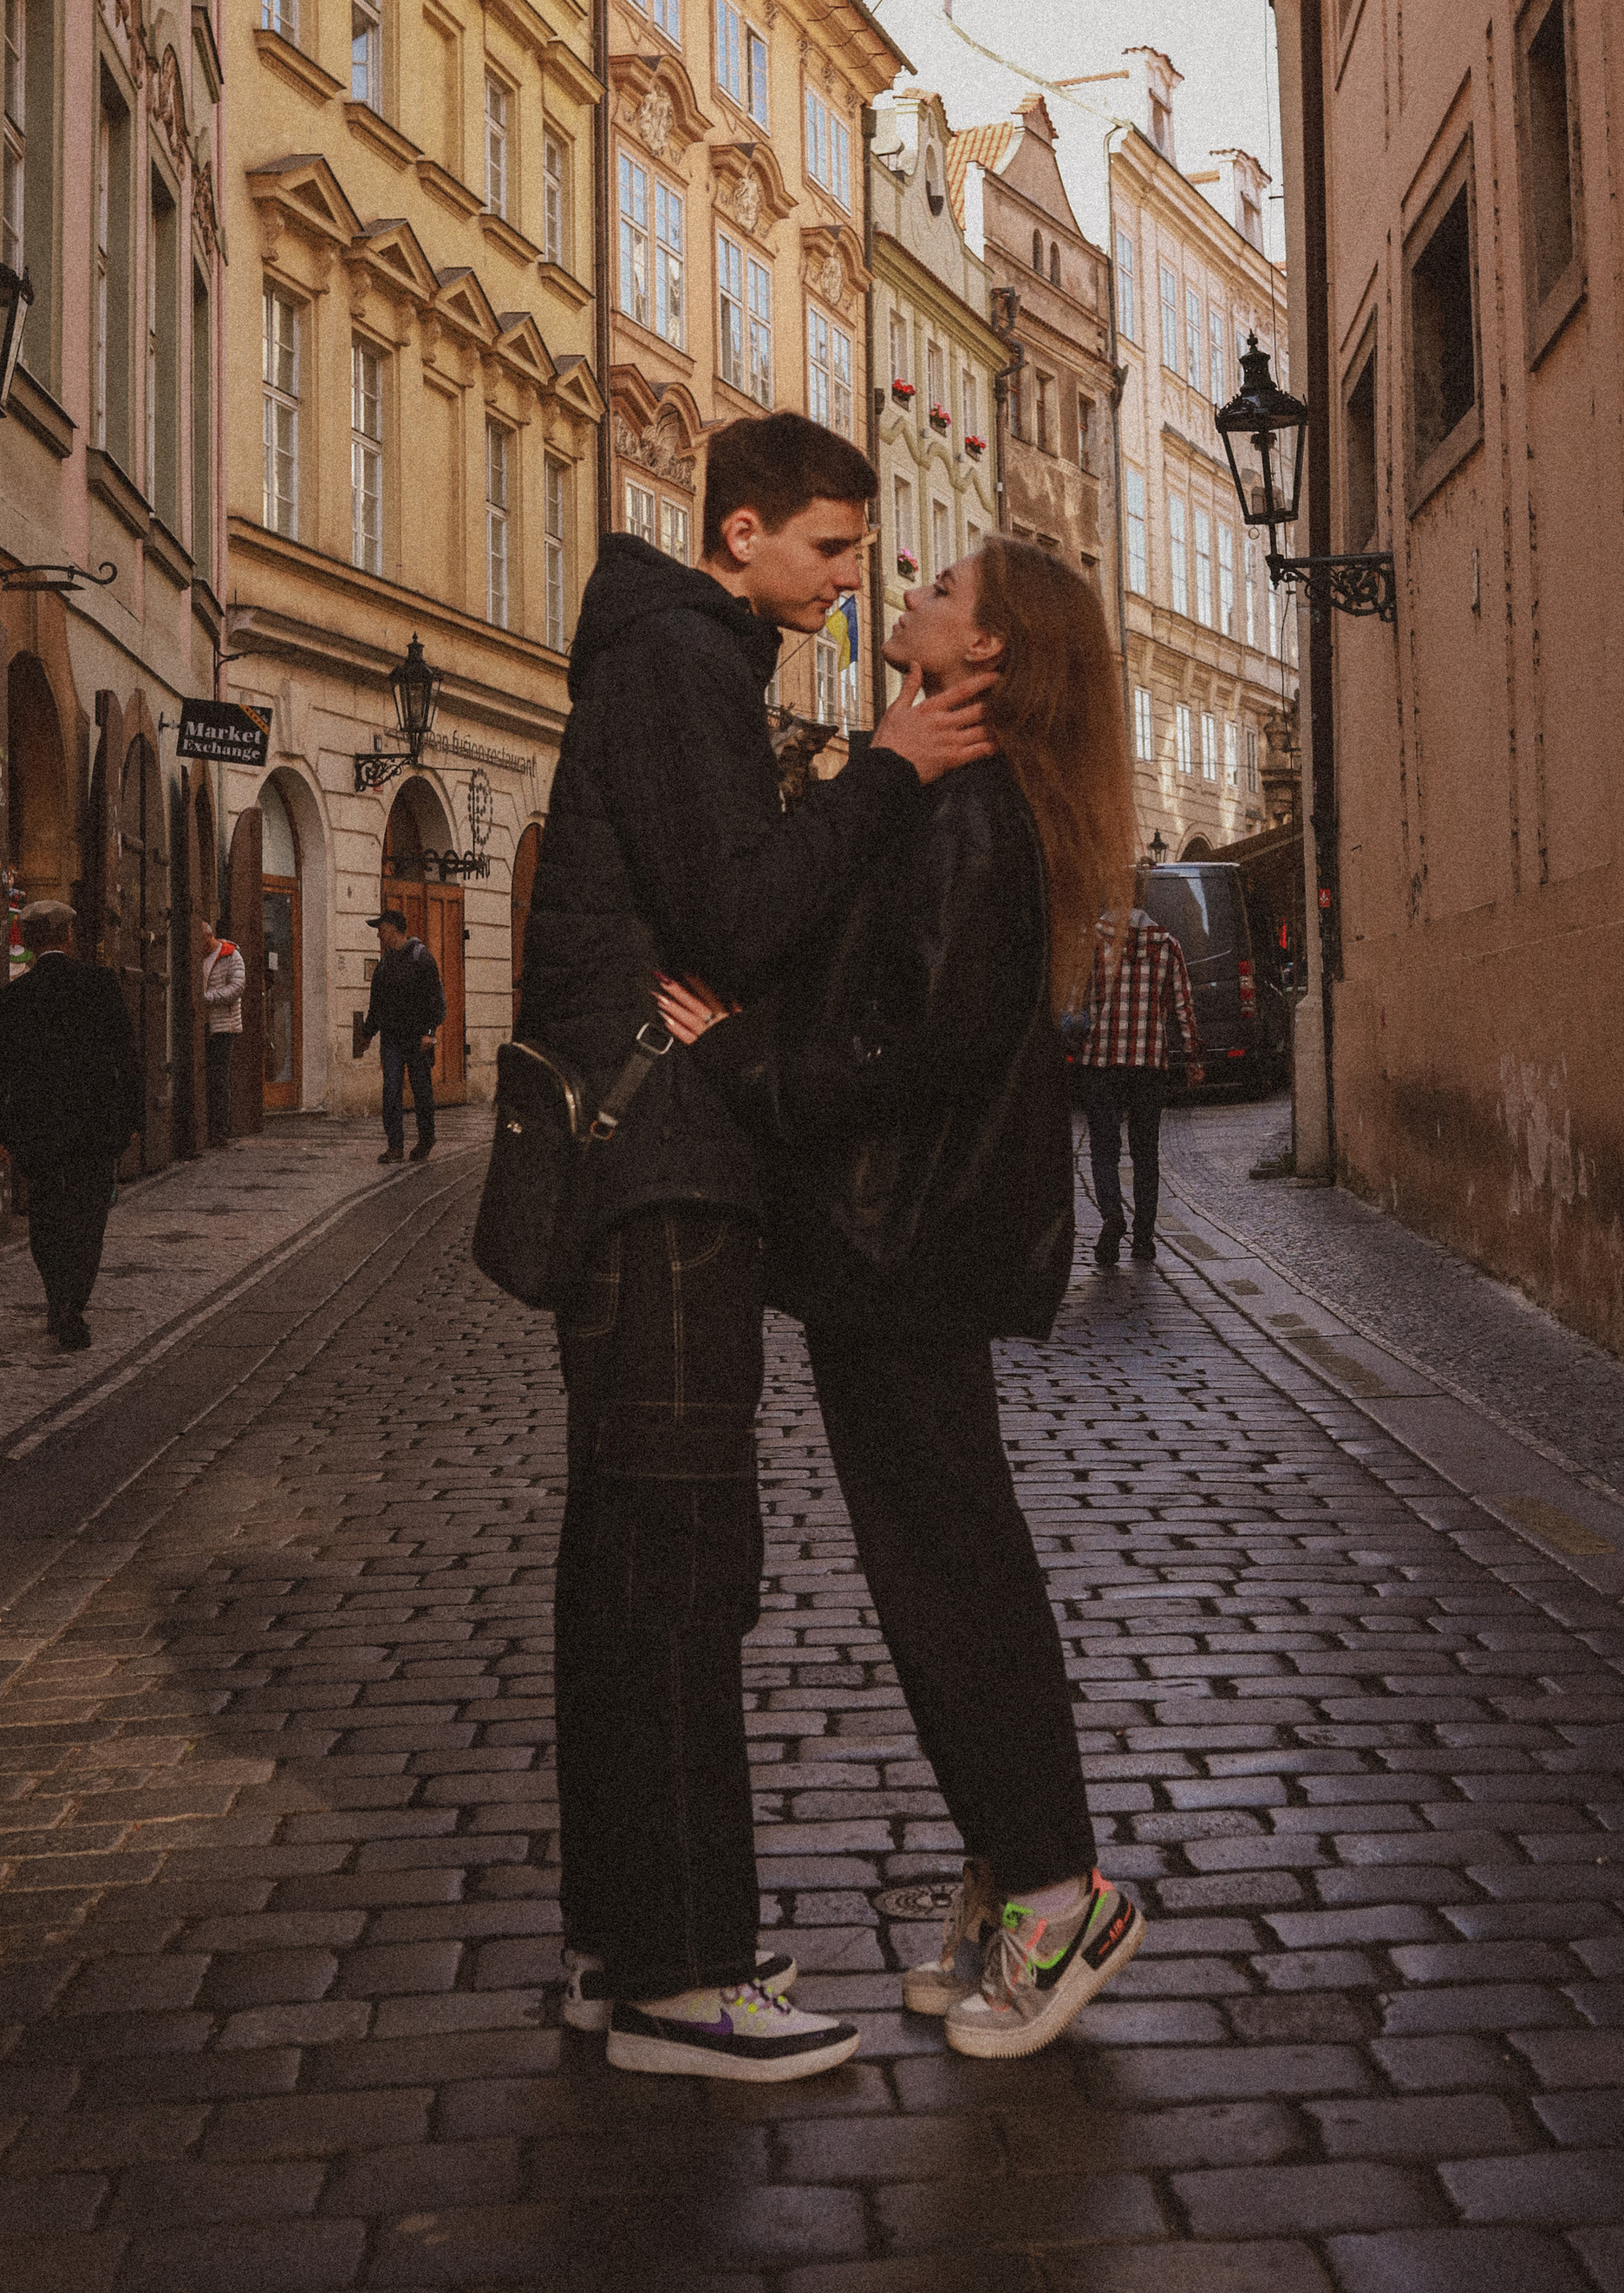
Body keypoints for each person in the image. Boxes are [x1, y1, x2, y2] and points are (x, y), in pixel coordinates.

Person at [517, 409, 995, 2084]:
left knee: (629, 1559)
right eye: (832, 552)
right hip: (660, 1171)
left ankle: (623, 1941)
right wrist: (891, 774)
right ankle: (684, 1976)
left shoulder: (681, 656)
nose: (854, 584)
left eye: (863, 555)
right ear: (739, 534)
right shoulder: (678, 665)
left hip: (653, 1168)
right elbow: (735, 915)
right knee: (677, 1559)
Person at [657, 537, 1147, 2062]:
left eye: (940, 589)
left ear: (990, 655)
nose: (909, 594)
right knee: (937, 1567)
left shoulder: (977, 818)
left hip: (910, 1251)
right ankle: (1013, 1873)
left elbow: (916, 1046)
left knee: (955, 1573)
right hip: (902, 1252)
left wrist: (745, 1060)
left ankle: (1062, 1892)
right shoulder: (956, 801)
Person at [0, 900, 144, 1353]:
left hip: (37, 1125)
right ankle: (73, 1303)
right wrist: (132, 1118)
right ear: (68, 938)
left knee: (47, 1212)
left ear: (29, 944)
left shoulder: (9, 999)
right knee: (90, 1216)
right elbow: (127, 1058)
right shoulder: (100, 985)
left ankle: (57, 1297)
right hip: (94, 1122)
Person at [1080, 875, 1200, 1265]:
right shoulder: (1167, 946)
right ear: (1144, 898)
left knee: (1103, 1149)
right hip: (1149, 1063)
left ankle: (1113, 1214)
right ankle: (1144, 1239)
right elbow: (1184, 1007)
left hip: (1102, 1060)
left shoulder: (1093, 943)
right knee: (1146, 1153)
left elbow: (1072, 1003)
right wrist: (1193, 1057)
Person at [360, 910, 445, 1161]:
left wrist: (430, 1032)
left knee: (421, 1092)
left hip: (418, 1039)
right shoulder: (385, 964)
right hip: (392, 1039)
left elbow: (436, 1001)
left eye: (380, 928)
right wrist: (367, 1034)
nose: (378, 933)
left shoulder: (422, 958)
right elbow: (377, 1005)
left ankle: (426, 1139)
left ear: (394, 929)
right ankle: (395, 1146)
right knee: (391, 1092)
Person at [200, 916, 245, 1147]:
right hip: (205, 1024)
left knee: (218, 1077)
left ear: (210, 937)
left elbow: (236, 988)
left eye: (203, 941)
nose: (201, 947)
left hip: (223, 1026)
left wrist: (206, 999)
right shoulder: (200, 956)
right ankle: (207, 1128)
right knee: (206, 1077)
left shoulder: (230, 955)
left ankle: (220, 1130)